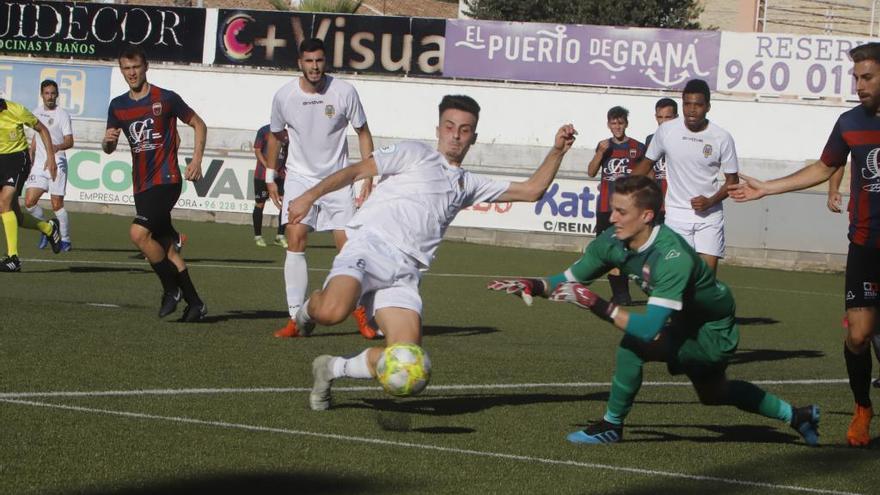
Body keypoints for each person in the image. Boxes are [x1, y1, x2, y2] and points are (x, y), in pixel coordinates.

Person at [287, 95, 576, 411]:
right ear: (438, 129)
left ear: (473, 138)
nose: (456, 135)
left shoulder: (468, 183)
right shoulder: (414, 153)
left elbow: (532, 190)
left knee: (405, 361)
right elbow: (356, 171)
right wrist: (309, 195)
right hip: (369, 247)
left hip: (405, 274)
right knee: (331, 312)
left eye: (465, 130)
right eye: (450, 127)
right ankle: (306, 311)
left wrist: (557, 151)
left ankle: (330, 368)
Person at [488, 175, 820, 446]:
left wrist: (595, 303)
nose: (612, 217)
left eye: (620, 211)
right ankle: (798, 416)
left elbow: (647, 328)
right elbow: (567, 279)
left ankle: (611, 426)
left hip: (711, 330)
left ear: (647, 216)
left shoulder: (673, 257)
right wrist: (533, 285)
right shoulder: (612, 240)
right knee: (714, 393)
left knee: (636, 345)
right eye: (612, 209)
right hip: (681, 321)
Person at [731, 43, 880, 446]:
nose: (859, 85)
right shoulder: (850, 122)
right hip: (865, 246)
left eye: (867, 77)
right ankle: (863, 407)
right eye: (856, 77)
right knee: (858, 337)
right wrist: (769, 188)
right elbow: (825, 165)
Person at [264, 38, 377, 340]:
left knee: (349, 249)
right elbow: (275, 138)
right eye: (309, 61)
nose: (314, 67)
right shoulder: (284, 97)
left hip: (338, 180)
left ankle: (362, 312)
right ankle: (295, 319)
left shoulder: (344, 92)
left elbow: (363, 133)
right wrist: (270, 177)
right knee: (296, 237)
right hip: (300, 179)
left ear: (325, 62)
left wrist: (367, 176)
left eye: (319, 61)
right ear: (299, 63)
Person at [103, 46, 207, 322]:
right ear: (122, 70)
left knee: (138, 234)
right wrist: (108, 141)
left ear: (145, 66)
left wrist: (196, 160)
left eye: (135, 67)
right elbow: (109, 147)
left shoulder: (166, 98)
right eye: (126, 68)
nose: (131, 73)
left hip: (167, 179)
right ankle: (195, 303)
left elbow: (198, 124)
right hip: (141, 185)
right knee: (166, 247)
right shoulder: (118, 106)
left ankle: (170, 290)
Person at [632, 80, 739, 273]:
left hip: (710, 216)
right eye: (687, 104)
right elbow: (647, 163)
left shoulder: (722, 137)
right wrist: (623, 188)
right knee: (679, 274)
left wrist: (710, 201)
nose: (691, 110)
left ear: (707, 107)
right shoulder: (666, 131)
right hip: (676, 215)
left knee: (706, 278)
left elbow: (733, 181)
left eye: (697, 105)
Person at [586, 106, 644, 305]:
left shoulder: (637, 147)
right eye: (613, 123)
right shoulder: (604, 146)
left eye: (620, 123)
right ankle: (621, 295)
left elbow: (647, 174)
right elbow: (591, 171)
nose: (617, 127)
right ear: (608, 124)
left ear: (626, 124)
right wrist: (600, 154)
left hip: (628, 208)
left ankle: (630, 292)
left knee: (628, 250)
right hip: (605, 207)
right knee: (609, 250)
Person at [828, 169, 880, 389]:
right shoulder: (858, 135)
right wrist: (832, 189)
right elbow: (832, 162)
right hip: (865, 243)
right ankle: (862, 408)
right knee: (865, 328)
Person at [0, 98, 62, 272]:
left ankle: (13, 259)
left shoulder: (16, 110)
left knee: (3, 203)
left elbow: (42, 129)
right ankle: (49, 228)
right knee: (15, 216)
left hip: (17, 160)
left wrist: (51, 158)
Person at [23, 80, 74, 252]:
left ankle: (66, 240)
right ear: (42, 94)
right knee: (29, 202)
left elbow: (69, 141)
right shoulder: (36, 112)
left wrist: (56, 147)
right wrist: (31, 155)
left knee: (56, 204)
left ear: (57, 94)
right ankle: (48, 230)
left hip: (57, 162)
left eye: (53, 93)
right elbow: (36, 138)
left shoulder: (62, 115)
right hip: (39, 164)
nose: (50, 97)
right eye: (47, 93)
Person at [252, 124, 288, 248]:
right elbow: (257, 151)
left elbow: (287, 154)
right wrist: (269, 167)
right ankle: (258, 236)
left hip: (281, 175)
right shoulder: (264, 131)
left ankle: (280, 236)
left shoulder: (288, 134)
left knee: (286, 203)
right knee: (260, 204)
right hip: (262, 175)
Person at [644, 97, 679, 225]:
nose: (663, 122)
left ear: (676, 117)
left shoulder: (684, 140)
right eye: (660, 117)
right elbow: (648, 171)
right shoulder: (650, 140)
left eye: (668, 117)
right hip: (657, 204)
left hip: (677, 204)